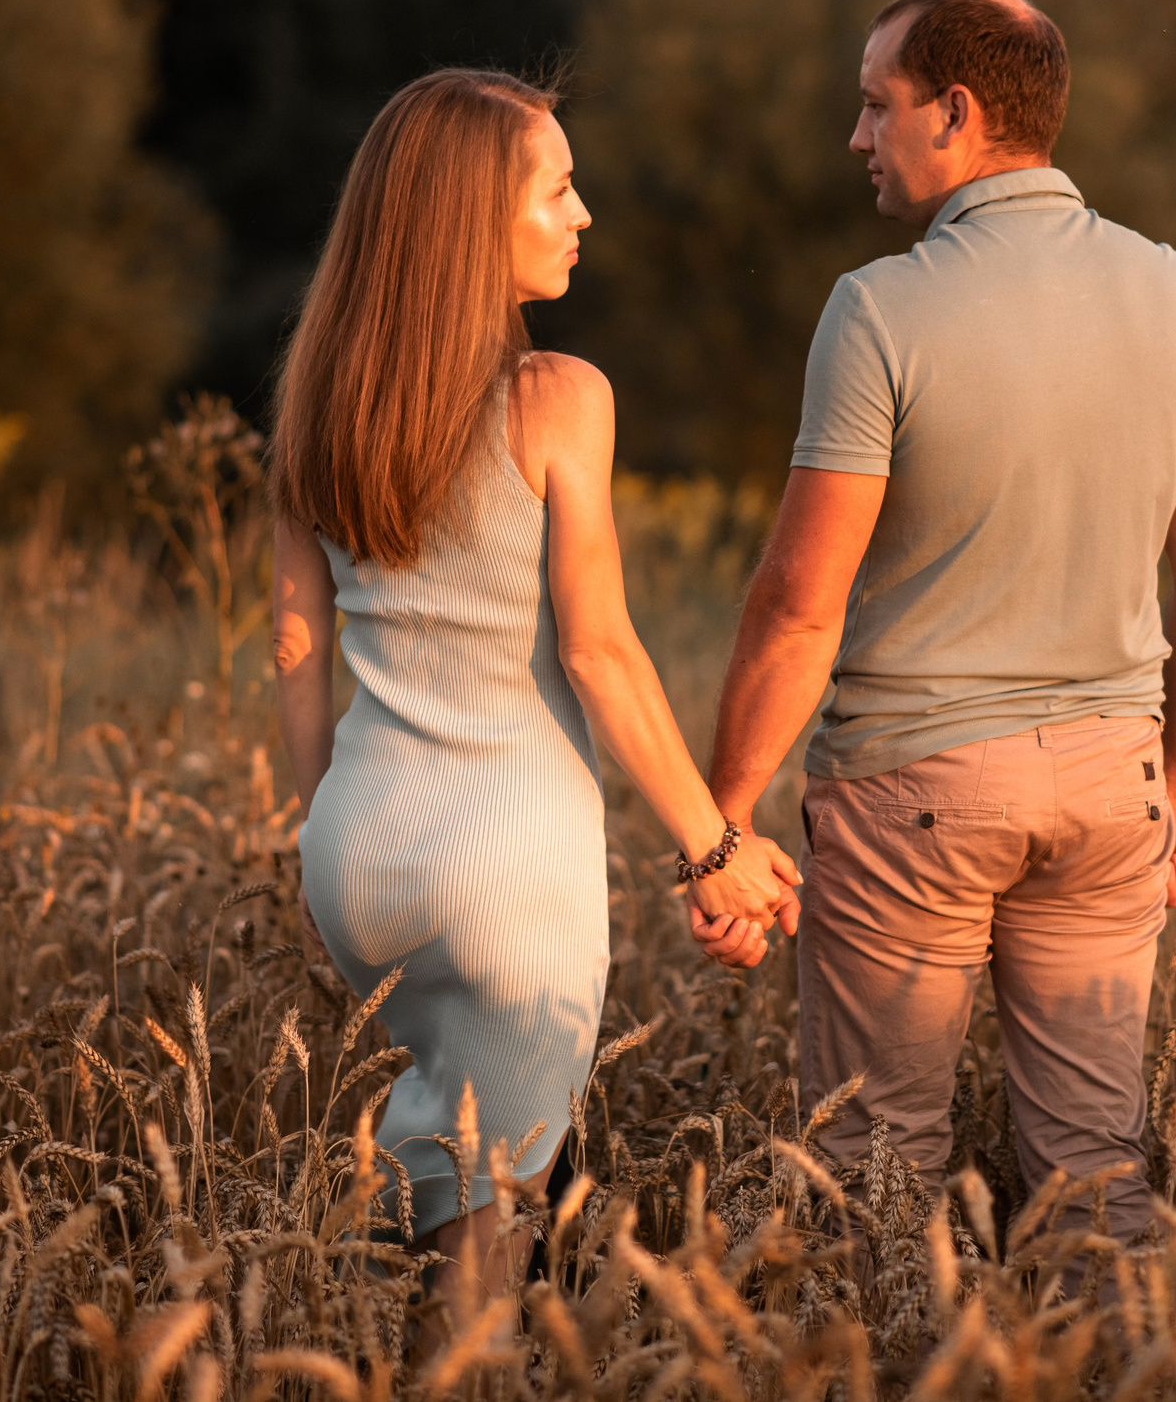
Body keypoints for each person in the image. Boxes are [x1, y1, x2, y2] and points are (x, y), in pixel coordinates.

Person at [693, 0, 1176, 1242]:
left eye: (875, 105)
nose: (857, 137)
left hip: (915, 794)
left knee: (873, 1182)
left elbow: (797, 602)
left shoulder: (881, 307)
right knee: (1096, 1180)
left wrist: (721, 821)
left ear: (953, 113)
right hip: (1119, 788)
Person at [268, 69, 801, 1340]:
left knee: (428, 1165)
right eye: (556, 188)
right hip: (509, 869)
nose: (585, 213)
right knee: (490, 1226)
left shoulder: (316, 398)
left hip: (358, 855)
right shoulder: (560, 397)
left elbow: (295, 640)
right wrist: (714, 848)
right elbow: (603, 651)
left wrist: (312, 822)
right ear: (470, 223)